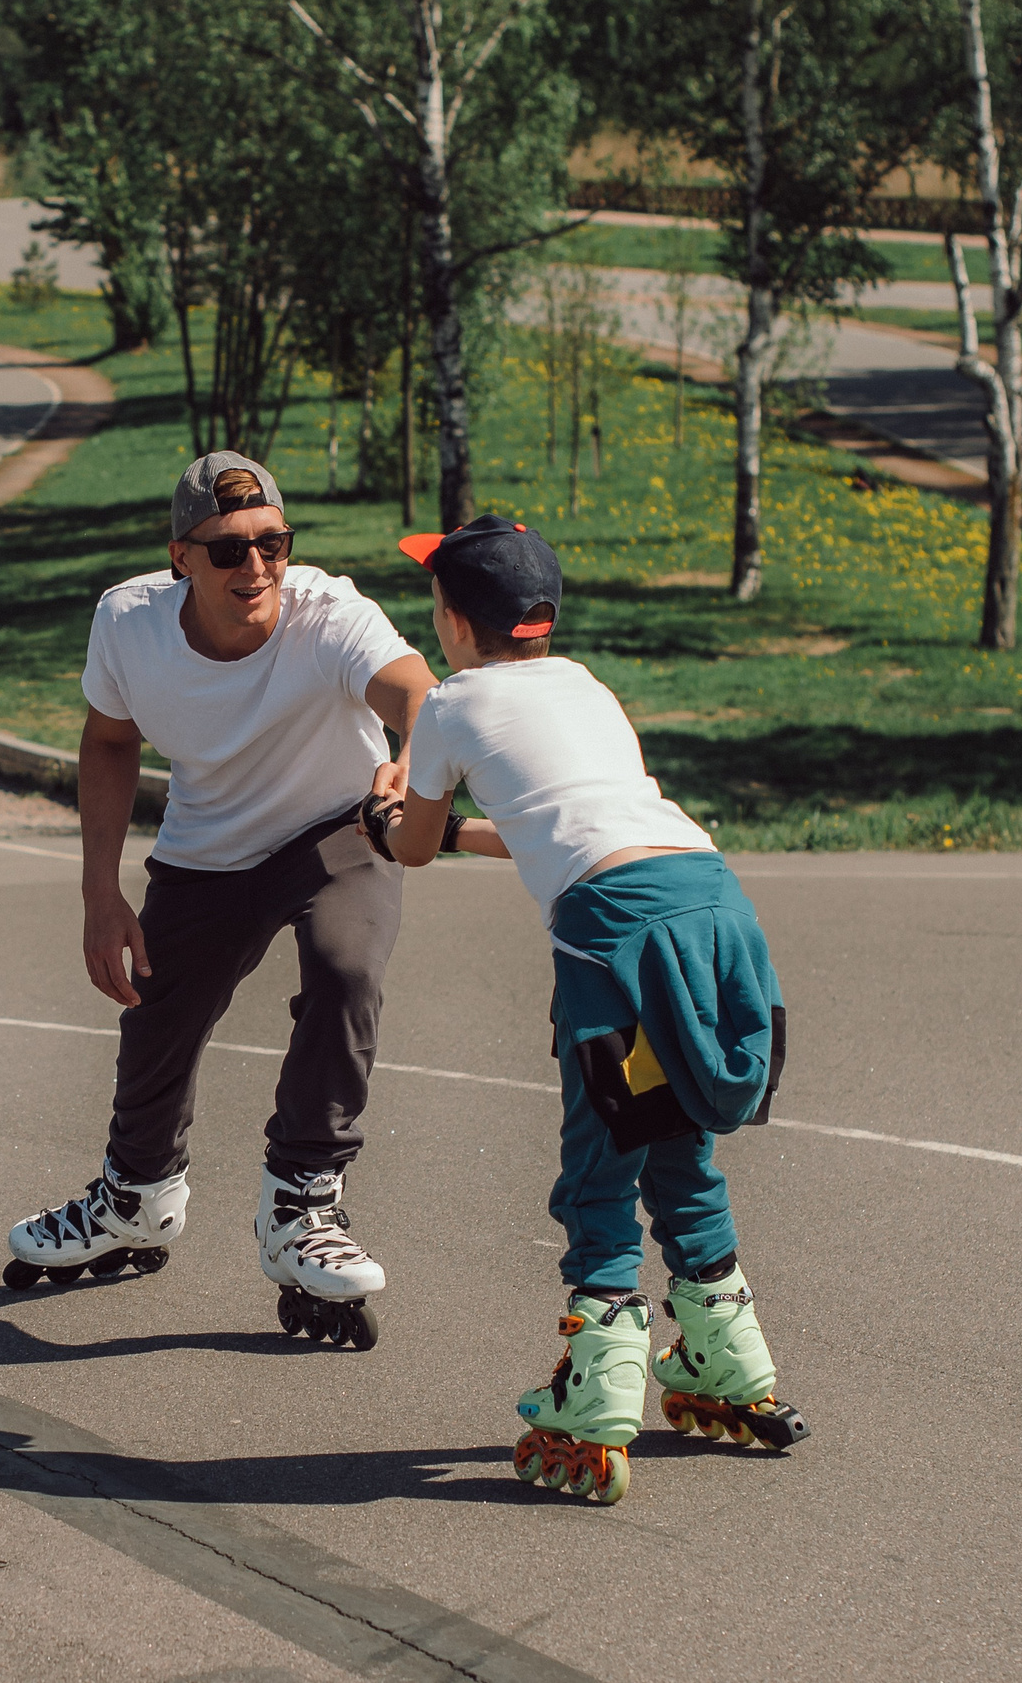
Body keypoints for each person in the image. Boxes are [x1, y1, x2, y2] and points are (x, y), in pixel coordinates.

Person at [370, 514, 805, 1505]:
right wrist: (445, 830)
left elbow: (409, 845)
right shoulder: (585, 687)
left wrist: (390, 811)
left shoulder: (446, 703)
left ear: (450, 618)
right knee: (673, 1135)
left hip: (616, 934)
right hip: (706, 901)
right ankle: (723, 1352)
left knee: (602, 1149)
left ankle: (598, 1382)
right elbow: (553, 823)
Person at [0, 452, 439, 1352]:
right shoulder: (129, 624)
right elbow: (109, 743)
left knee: (345, 969)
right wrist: (99, 891)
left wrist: (405, 758)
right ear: (180, 559)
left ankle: (303, 1201)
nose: (256, 568)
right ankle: (136, 1195)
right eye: (229, 549)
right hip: (208, 845)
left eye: (273, 543)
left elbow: (421, 696)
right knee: (159, 1011)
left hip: (337, 830)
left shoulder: (330, 614)